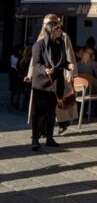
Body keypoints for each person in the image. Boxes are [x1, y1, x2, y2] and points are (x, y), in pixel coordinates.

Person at [30, 20, 72, 150]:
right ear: (51, 30)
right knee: (39, 113)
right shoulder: (39, 45)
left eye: (60, 28)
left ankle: (49, 137)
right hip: (42, 84)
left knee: (51, 112)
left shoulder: (60, 44)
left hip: (56, 83)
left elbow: (61, 62)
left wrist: (68, 65)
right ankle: (35, 139)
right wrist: (45, 69)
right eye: (58, 28)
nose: (61, 30)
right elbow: (36, 64)